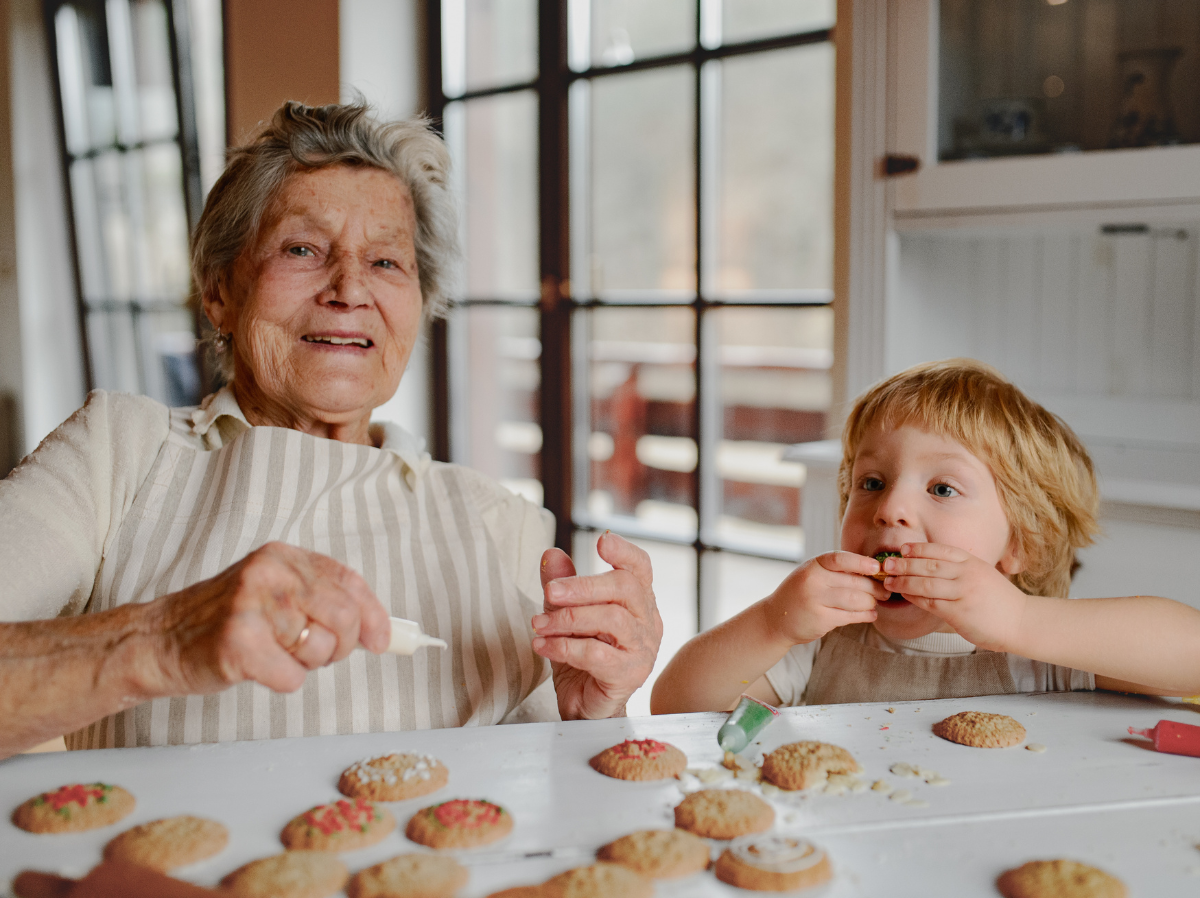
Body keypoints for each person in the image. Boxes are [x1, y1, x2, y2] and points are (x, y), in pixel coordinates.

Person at [0, 101, 662, 758]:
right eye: (302, 248)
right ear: (219, 292)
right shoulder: (119, 452)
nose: (349, 289)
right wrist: (161, 638)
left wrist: (591, 717)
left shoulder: (502, 523)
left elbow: (547, 802)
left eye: (385, 263)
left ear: (417, 309)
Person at [652, 359, 1200, 713]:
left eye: (941, 488)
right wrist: (772, 622)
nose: (890, 508)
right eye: (871, 482)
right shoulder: (821, 650)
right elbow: (677, 706)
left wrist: (1021, 620)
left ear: (1021, 544)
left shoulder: (1048, 653)